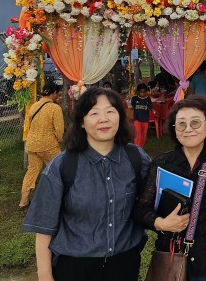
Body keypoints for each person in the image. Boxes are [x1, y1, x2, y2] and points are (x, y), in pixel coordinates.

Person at [22, 87, 151, 281]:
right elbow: (44, 228)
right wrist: (45, 275)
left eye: (110, 111)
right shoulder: (62, 166)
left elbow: (161, 193)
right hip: (75, 268)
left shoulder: (136, 158)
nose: (103, 119)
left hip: (124, 265)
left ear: (120, 116)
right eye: (94, 113)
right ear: (82, 121)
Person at [134, 95, 206, 281]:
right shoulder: (163, 163)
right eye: (181, 124)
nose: (188, 129)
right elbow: (142, 208)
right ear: (174, 129)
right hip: (170, 253)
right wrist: (161, 223)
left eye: (196, 123)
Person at [19, 83, 65, 209]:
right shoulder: (55, 108)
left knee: (32, 172)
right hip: (48, 145)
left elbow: (28, 125)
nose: (59, 96)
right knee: (59, 170)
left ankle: (23, 201)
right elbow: (59, 130)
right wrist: (59, 140)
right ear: (54, 93)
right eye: (58, 94)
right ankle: (61, 197)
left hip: (32, 144)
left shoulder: (34, 106)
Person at [129, 84, 153, 148]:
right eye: (141, 92)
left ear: (146, 92)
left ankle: (141, 147)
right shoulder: (134, 98)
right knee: (138, 133)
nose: (142, 94)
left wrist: (153, 110)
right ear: (138, 92)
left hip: (145, 119)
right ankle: (137, 147)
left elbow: (150, 106)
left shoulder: (148, 99)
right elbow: (131, 106)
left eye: (144, 92)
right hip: (137, 118)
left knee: (144, 134)